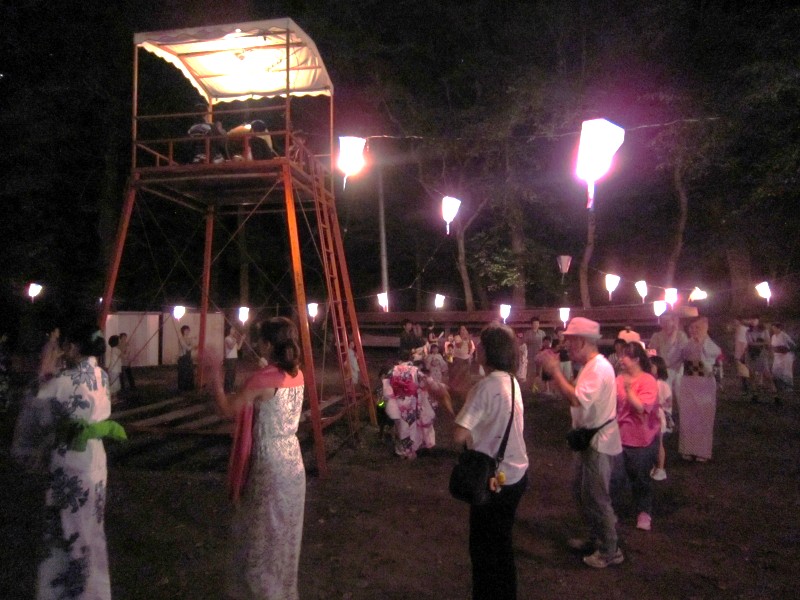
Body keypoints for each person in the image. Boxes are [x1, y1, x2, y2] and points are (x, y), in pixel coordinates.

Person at [15, 320, 125, 600]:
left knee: (67, 532)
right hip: (95, 459)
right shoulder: (100, 375)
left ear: (73, 347)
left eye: (63, 344)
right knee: (91, 530)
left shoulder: (61, 383)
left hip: (71, 463)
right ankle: (95, 591)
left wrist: (44, 370)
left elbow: (36, 418)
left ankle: (71, 592)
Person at [208, 317, 306, 600]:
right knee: (285, 538)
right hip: (294, 462)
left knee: (260, 537)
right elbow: (276, 381)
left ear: (268, 345)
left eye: (260, 340)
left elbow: (227, 409)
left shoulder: (261, 380)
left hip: (270, 463)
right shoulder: (298, 374)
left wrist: (215, 377)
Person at [453, 322, 528, 600]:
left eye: (480, 344)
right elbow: (489, 411)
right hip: (517, 474)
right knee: (502, 544)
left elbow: (459, 435)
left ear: (488, 351)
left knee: (483, 550)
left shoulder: (485, 387)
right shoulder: (511, 381)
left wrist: (444, 398)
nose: (477, 348)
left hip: (494, 479)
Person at [542, 317, 623, 569]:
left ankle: (610, 549)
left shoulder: (598, 368)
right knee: (581, 492)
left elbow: (576, 399)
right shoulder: (591, 366)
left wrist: (555, 370)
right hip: (588, 438)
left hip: (598, 441)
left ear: (581, 341)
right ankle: (596, 539)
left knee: (597, 497)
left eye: (570, 340)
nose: (566, 345)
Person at [611, 342, 660, 532]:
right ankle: (612, 511)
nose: (621, 359)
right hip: (620, 437)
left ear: (636, 360)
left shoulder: (648, 381)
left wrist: (629, 390)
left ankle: (644, 512)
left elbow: (640, 408)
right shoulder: (618, 379)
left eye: (625, 356)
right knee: (615, 477)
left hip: (642, 440)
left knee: (640, 479)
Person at [382, 353, 442, 459]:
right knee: (411, 426)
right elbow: (427, 381)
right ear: (410, 359)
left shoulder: (392, 371)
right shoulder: (415, 370)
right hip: (411, 401)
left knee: (400, 426)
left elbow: (386, 387)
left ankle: (401, 451)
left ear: (399, 360)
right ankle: (411, 450)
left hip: (397, 401)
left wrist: (389, 399)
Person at [677, 317, 721, 462]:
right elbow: (678, 356)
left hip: (704, 383)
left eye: (698, 327)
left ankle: (702, 451)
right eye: (692, 328)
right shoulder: (687, 343)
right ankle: (687, 449)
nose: (694, 330)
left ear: (705, 327)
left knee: (704, 416)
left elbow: (713, 357)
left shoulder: (710, 345)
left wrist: (701, 342)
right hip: (688, 382)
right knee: (687, 416)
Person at [647, 312, 688, 406]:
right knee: (665, 391)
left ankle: (684, 412)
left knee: (680, 388)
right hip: (664, 368)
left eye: (667, 321)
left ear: (673, 321)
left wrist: (675, 332)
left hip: (679, 368)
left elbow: (686, 352)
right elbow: (651, 353)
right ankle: (666, 412)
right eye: (662, 321)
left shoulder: (681, 335)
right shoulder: (657, 336)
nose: (665, 323)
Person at [649, 355, 673, 481]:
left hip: (659, 416)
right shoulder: (649, 382)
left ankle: (661, 468)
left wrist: (659, 405)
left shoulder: (662, 385)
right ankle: (654, 466)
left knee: (659, 443)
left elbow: (669, 402)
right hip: (650, 416)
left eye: (652, 365)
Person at [769, 322, 795, 404]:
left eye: (775, 328)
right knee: (775, 372)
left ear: (779, 328)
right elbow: (772, 346)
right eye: (773, 328)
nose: (773, 330)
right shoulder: (773, 336)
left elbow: (792, 344)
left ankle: (786, 388)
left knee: (785, 372)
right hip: (777, 356)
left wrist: (784, 349)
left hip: (785, 357)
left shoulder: (784, 335)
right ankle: (778, 387)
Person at [451, 325, 476, 393]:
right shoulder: (457, 337)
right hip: (458, 359)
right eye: (462, 329)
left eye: (465, 329)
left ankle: (465, 389)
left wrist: (468, 339)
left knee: (466, 374)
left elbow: (470, 348)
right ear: (459, 331)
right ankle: (457, 390)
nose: (464, 331)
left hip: (466, 358)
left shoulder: (468, 338)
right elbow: (459, 345)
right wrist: (464, 338)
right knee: (458, 374)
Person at [523, 316, 546, 384]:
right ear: (531, 324)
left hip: (540, 356)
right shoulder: (527, 333)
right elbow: (524, 344)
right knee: (531, 373)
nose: (536, 325)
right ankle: (531, 386)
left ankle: (538, 387)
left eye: (537, 323)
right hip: (531, 356)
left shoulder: (542, 333)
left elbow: (545, 344)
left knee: (540, 373)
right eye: (534, 323)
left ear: (539, 324)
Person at [224, 325, 244, 393]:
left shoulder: (233, 339)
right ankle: (227, 389)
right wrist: (235, 340)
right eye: (232, 329)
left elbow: (238, 348)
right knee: (229, 374)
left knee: (233, 374)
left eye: (234, 330)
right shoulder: (227, 338)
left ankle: (231, 388)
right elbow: (230, 347)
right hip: (229, 358)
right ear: (229, 330)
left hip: (234, 358)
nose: (234, 331)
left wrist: (241, 340)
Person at [177, 325, 195, 392]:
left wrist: (192, 344)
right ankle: (182, 387)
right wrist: (192, 346)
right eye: (186, 330)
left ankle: (189, 387)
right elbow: (187, 348)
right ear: (183, 331)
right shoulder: (181, 339)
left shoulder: (189, 339)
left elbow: (191, 346)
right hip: (183, 358)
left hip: (188, 358)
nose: (187, 331)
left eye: (188, 330)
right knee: (183, 373)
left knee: (189, 372)